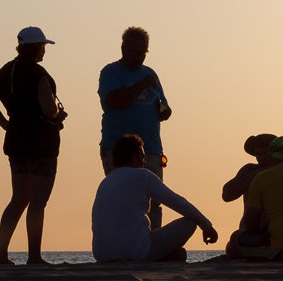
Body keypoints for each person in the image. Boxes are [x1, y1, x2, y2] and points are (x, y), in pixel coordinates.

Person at [0, 26, 67, 266]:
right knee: (38, 202)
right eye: (42, 47)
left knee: (18, 198)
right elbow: (49, 109)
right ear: (37, 47)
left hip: (16, 139)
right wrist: (59, 115)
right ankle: (34, 256)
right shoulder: (38, 74)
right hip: (41, 141)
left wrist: (4, 123)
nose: (44, 51)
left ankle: (1, 252)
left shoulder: (6, 71)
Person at [91, 134, 218, 263]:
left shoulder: (106, 181)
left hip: (102, 254)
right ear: (134, 157)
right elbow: (178, 203)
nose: (144, 161)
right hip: (136, 252)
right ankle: (163, 257)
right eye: (142, 157)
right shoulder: (143, 176)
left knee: (174, 251)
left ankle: (166, 257)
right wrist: (206, 226)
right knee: (190, 221)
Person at [98, 27, 170, 229]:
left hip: (151, 149)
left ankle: (153, 245)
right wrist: (141, 84)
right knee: (124, 198)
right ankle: (124, 246)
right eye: (136, 52)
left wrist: (164, 110)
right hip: (118, 149)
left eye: (144, 53)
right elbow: (114, 101)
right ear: (124, 49)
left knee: (155, 200)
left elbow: (162, 103)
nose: (140, 57)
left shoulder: (150, 74)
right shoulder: (110, 72)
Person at [221, 133, 276, 205]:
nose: (262, 158)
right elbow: (227, 195)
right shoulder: (250, 169)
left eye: (266, 153)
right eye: (258, 154)